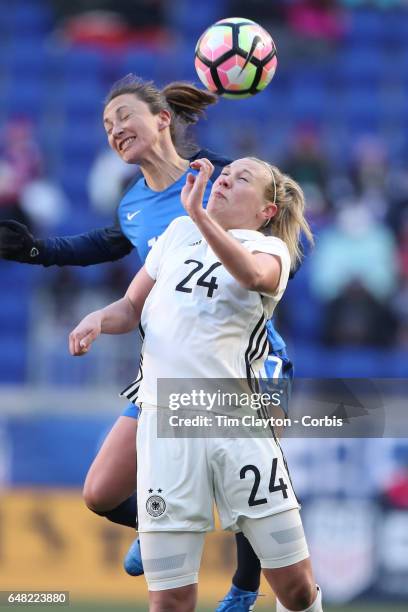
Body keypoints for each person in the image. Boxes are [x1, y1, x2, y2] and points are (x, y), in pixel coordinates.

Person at [0, 75, 293, 612]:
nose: (115, 130)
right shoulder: (135, 203)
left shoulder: (218, 176)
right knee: (101, 493)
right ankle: (166, 527)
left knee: (251, 493)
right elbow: (101, 245)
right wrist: (37, 250)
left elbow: (275, 238)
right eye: (107, 125)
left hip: (246, 361)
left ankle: (245, 590)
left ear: (161, 120)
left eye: (124, 117)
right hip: (166, 369)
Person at [69, 156, 320, 612]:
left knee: (298, 590)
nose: (224, 178)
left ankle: (249, 584)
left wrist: (201, 217)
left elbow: (251, 275)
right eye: (224, 174)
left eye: (241, 178)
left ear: (267, 211)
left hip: (238, 428)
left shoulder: (269, 249)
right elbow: (129, 306)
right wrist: (99, 319)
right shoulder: (178, 234)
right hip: (165, 427)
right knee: (169, 602)